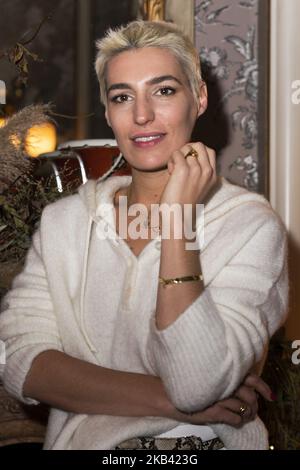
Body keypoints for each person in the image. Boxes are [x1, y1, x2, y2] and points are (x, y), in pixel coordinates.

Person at [0, 20, 289, 450]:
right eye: (122, 97)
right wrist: (163, 399)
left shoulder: (249, 225)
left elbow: (197, 383)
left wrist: (177, 222)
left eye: (164, 91)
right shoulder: (66, 224)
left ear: (200, 98)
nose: (141, 115)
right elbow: (21, 363)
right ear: (108, 111)